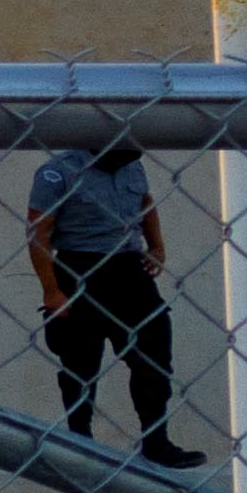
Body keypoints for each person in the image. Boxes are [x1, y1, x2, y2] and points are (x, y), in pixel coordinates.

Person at [25, 140, 191, 467]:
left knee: (154, 348)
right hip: (79, 266)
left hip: (127, 267)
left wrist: (157, 246)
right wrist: (52, 291)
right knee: (80, 359)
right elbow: (38, 233)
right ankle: (80, 438)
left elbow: (146, 203)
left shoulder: (132, 165)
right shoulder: (57, 173)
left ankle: (156, 440)